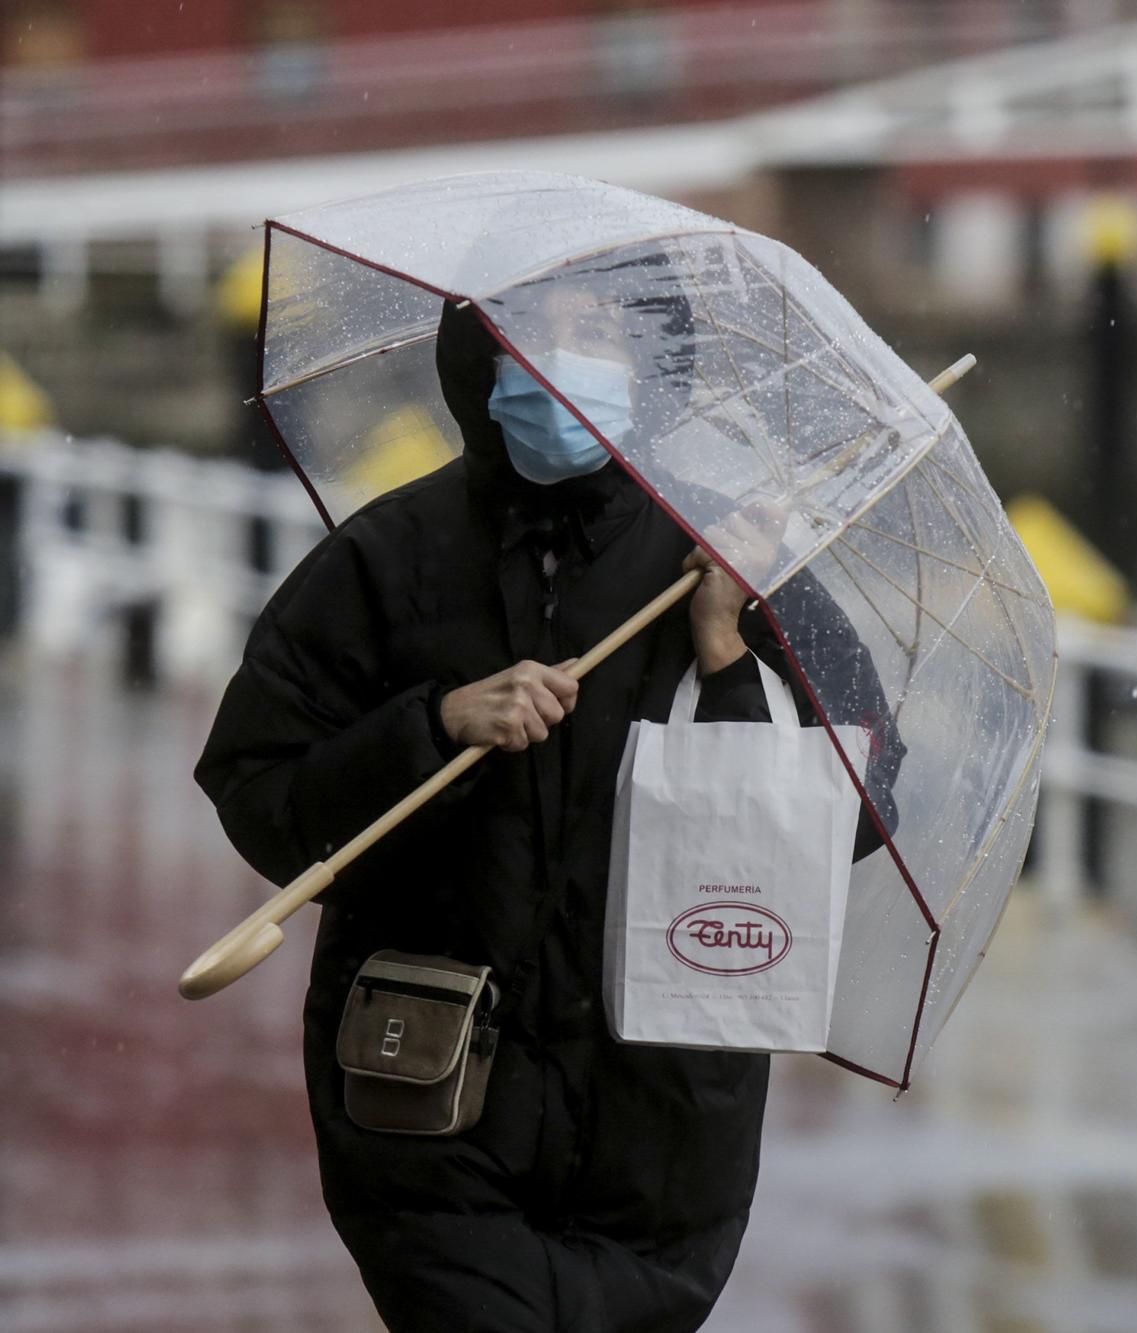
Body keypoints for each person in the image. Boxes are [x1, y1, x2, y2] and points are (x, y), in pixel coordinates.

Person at [195, 295, 900, 1332]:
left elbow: (856, 808)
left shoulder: (731, 557)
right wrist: (433, 726)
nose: (560, 365)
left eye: (598, 334)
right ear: (481, 360)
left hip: (663, 1131)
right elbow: (259, 784)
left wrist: (727, 651)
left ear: (650, 370)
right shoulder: (390, 557)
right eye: (533, 335)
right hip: (430, 1108)